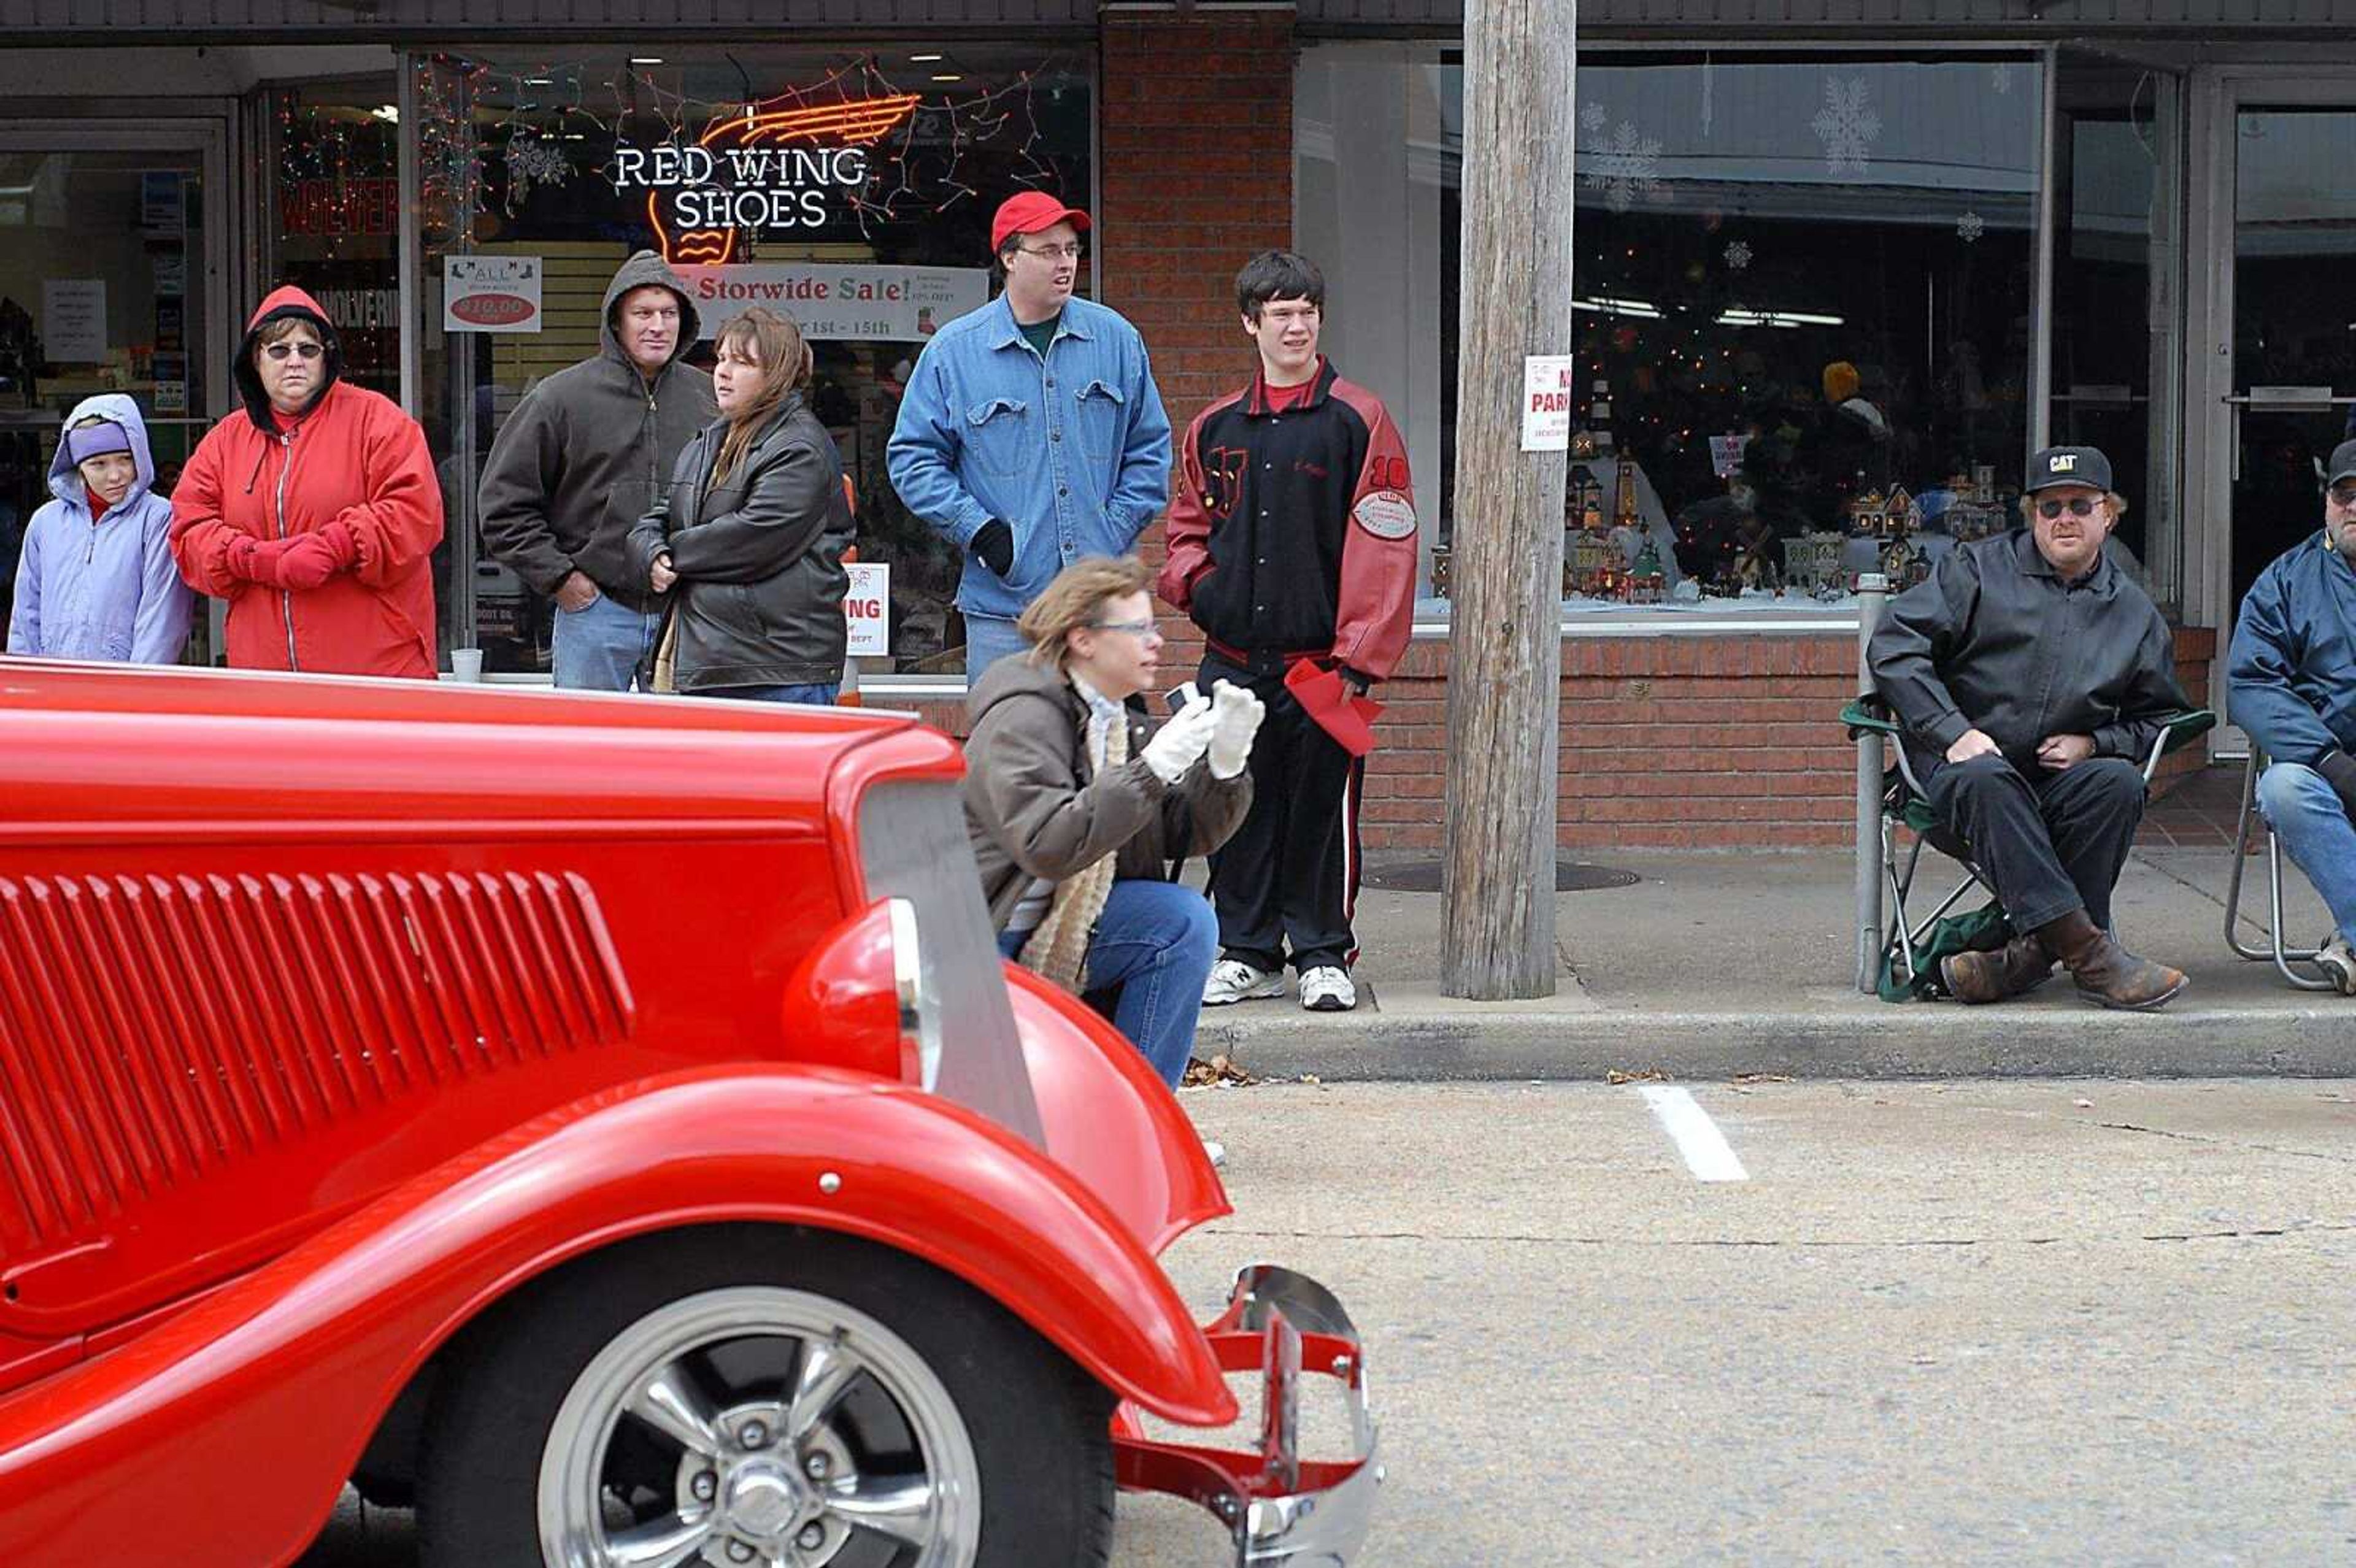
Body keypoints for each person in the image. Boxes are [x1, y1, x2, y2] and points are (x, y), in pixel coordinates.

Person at [1157, 250, 1417, 1013]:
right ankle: (1244, 951)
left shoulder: (1358, 420)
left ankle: (1322, 954)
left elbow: (1388, 540)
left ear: (1320, 319)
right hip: (1232, 659)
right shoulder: (1214, 427)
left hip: (1323, 666)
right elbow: (1185, 531)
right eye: (1279, 313)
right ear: (1251, 324)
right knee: (1234, 808)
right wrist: (1204, 595)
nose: (1296, 324)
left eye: (1306, 310)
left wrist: (1359, 660)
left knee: (1321, 815)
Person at [1869, 445, 2192, 1010]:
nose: (2064, 518)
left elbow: (2162, 718)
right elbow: (1896, 647)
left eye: (2079, 505)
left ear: (2108, 515)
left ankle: (2023, 960)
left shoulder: (2133, 613)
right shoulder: (1976, 570)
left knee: (2117, 783)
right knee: (1987, 777)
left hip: (2053, 784)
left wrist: (2097, 743)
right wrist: (1952, 731)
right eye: (2049, 507)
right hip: (1959, 778)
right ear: (2031, 515)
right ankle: (2092, 958)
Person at [962, 556, 1263, 1087]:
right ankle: (1114, 1123)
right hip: (984, 937)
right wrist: (1153, 770)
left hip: (1064, 925)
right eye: (1139, 628)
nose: (1157, 642)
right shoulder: (1023, 716)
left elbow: (1179, 833)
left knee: (1182, 921)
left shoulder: (1114, 716)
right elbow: (1048, 842)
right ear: (1083, 640)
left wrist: (1226, 766)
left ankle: (1147, 1116)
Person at [886, 191, 1171, 675]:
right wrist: (982, 532)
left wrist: (1112, 527)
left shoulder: (1117, 340)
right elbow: (913, 459)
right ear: (1009, 258)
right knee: (1011, 743)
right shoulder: (954, 352)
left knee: (1101, 747)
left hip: (1102, 609)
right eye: (1049, 251)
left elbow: (1150, 451)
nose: (1065, 264)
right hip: (1005, 612)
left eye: (1072, 250)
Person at [169, 286, 441, 677]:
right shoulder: (224, 441)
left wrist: (338, 545)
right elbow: (188, 528)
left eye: (308, 350)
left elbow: (416, 513)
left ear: (326, 357)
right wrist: (245, 556)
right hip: (265, 673)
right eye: (279, 350)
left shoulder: (379, 421)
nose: (294, 362)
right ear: (256, 360)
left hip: (378, 668)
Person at [480, 251, 717, 690]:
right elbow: (503, 508)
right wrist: (563, 581)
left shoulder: (711, 399)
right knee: (586, 750)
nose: (657, 326)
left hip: (689, 614)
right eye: (642, 313)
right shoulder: (560, 399)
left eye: (669, 313)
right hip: (596, 612)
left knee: (685, 753)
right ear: (617, 322)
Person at [625, 307, 850, 702]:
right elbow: (660, 515)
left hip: (777, 667)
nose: (723, 372)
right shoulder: (712, 437)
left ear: (777, 374)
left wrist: (670, 556)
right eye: (722, 359)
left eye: (742, 362)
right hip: (719, 658)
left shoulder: (799, 446)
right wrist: (650, 552)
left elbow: (752, 538)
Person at [2225, 436, 2356, 994]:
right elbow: (2250, 683)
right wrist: (2327, 759)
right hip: (2323, 765)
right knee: (2282, 789)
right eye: (2343, 493)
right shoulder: (2285, 580)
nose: (2353, 506)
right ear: (2326, 502)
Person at [6, 396, 192, 664]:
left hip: (124, 690)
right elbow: (26, 614)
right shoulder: (45, 523)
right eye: (99, 464)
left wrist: (139, 690)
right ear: (77, 466)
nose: (115, 475)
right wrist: (25, 684)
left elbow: (162, 618)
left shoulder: (157, 518)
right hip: (53, 686)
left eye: (125, 459)